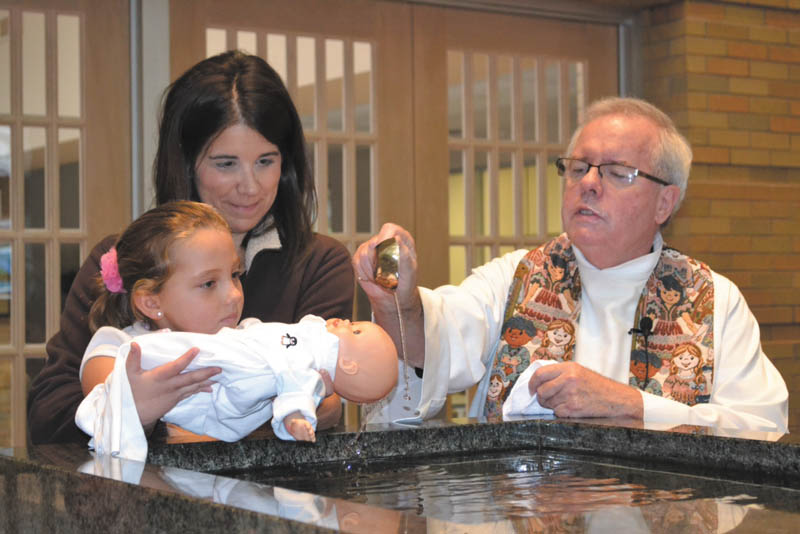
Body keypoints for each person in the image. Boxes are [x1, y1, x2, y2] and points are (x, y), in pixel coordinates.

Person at [353, 97, 788, 433]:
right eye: (579, 168)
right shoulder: (517, 278)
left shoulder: (714, 299)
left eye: (617, 173)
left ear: (665, 202)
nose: (590, 184)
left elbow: (763, 428)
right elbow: (439, 342)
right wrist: (402, 304)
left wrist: (633, 406)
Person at [28, 51, 354, 444]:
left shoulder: (319, 264)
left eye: (265, 161)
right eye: (226, 164)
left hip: (282, 502)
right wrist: (156, 423)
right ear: (184, 162)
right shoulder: (123, 260)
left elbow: (329, 397)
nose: (250, 186)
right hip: (150, 499)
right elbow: (50, 415)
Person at [73, 201, 396, 460]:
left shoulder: (247, 340)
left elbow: (320, 399)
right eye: (209, 283)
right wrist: (140, 410)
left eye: (236, 275)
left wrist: (305, 391)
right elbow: (103, 400)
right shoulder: (120, 346)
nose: (233, 295)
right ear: (150, 301)